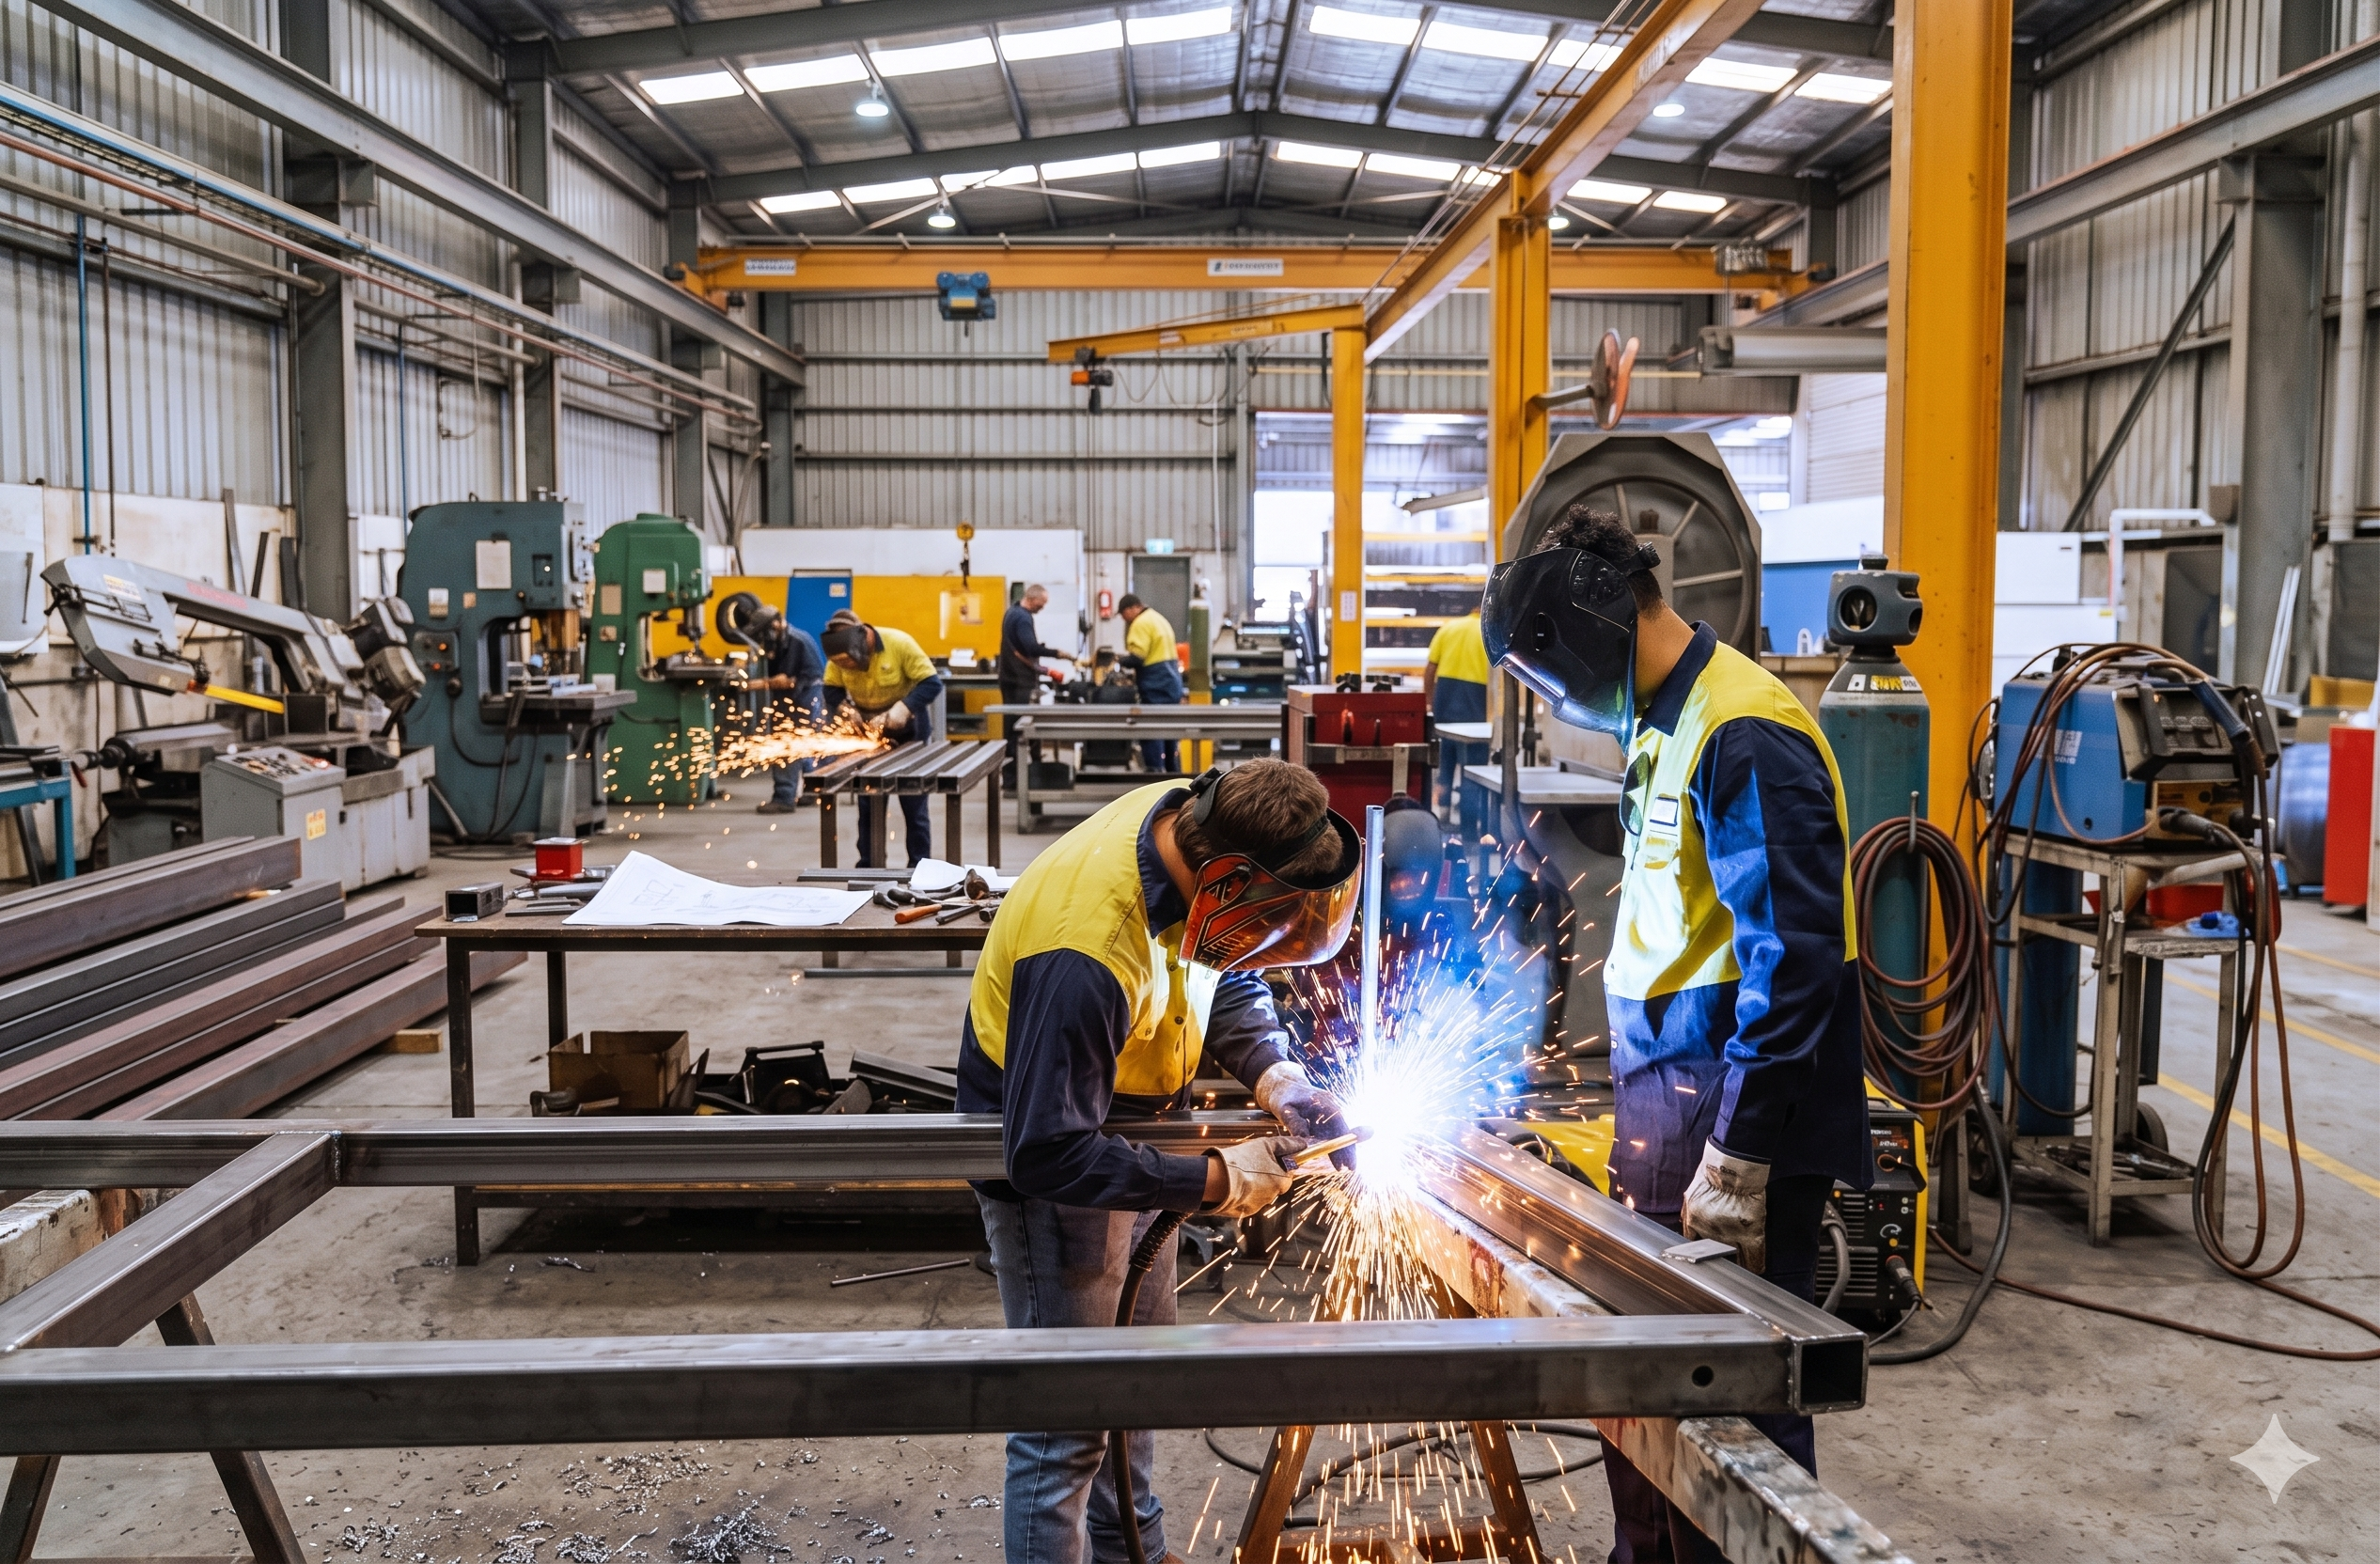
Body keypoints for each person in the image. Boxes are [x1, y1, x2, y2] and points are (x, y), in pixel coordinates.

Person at [1481, 503, 1869, 1564]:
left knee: (1726, 1378)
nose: (1561, 705)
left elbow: (1794, 956)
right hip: (1672, 1085)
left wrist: (1740, 1152)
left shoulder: (1743, 728)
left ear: (1594, 628)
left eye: (1552, 680)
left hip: (1730, 1094)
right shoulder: (1669, 712)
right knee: (1649, 1359)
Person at [958, 759, 1361, 1564]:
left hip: (1139, 1127)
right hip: (1059, 1152)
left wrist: (1279, 1077)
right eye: (1269, 923)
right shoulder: (1086, 953)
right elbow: (1047, 1150)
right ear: (1228, 883)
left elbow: (1229, 968)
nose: (1267, 947)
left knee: (1134, 1383)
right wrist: (1217, 1180)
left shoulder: (1193, 832)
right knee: (1066, 1423)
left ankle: (1131, 1553)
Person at [821, 612, 944, 868]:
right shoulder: (839, 652)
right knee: (869, 802)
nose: (849, 668)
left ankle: (920, 866)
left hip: (908, 728)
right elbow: (830, 688)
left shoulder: (899, 643)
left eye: (852, 663)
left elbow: (932, 683)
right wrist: (846, 709)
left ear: (863, 638)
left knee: (914, 803)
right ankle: (869, 864)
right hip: (867, 730)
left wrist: (904, 707)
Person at [744, 603, 825, 816]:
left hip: (804, 697)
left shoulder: (797, 640)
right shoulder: (780, 640)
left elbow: (791, 679)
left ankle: (784, 798)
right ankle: (813, 790)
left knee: (787, 745)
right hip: (795, 697)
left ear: (775, 624)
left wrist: (760, 683)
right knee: (803, 745)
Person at [1423, 611, 1490, 821]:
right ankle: (1469, 827)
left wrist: (1430, 701)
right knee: (1472, 768)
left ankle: (1441, 816)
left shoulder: (1449, 628)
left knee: (1445, 763)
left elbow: (1430, 669)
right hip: (1476, 705)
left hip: (1445, 703)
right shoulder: (1487, 631)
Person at [1000, 584, 1067, 784]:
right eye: (1042, 603)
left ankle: (1018, 774)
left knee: (1013, 727)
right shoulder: (1022, 617)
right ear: (1033, 598)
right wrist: (1057, 653)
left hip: (1012, 678)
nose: (1043, 607)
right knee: (1017, 729)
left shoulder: (1012, 612)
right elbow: (1030, 647)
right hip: (1018, 681)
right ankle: (1013, 779)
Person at [1116, 593, 1183, 774]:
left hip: (1156, 681)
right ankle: (1172, 773)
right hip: (1171, 680)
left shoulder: (1140, 623)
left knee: (1151, 727)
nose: (1124, 619)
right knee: (1169, 731)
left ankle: (1154, 773)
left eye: (1123, 614)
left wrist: (1118, 660)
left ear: (1132, 608)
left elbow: (1138, 657)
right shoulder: (1158, 618)